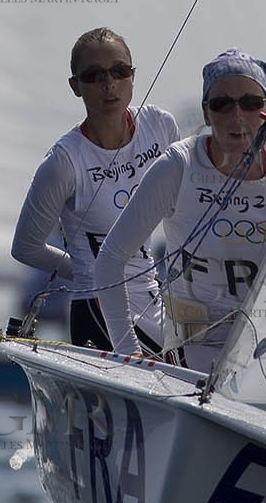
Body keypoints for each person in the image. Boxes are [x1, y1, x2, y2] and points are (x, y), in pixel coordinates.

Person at [94, 48, 266, 372]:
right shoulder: (179, 165)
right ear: (206, 113)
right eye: (222, 104)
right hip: (198, 347)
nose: (237, 116)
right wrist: (128, 354)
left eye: (250, 103)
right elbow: (109, 260)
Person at [11, 27, 177, 352]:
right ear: (76, 86)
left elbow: (182, 210)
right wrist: (90, 271)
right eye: (94, 75)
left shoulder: (159, 126)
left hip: (154, 300)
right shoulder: (63, 162)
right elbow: (25, 248)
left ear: (133, 76)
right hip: (96, 304)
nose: (109, 84)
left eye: (119, 71)